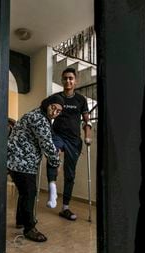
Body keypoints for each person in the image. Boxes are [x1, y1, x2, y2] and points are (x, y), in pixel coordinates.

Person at [7, 93, 64, 242]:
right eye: (54, 108)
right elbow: (47, 144)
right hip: (22, 162)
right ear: (47, 103)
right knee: (29, 193)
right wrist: (57, 163)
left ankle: (21, 221)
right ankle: (29, 228)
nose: (55, 112)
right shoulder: (39, 118)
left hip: (20, 161)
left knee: (25, 193)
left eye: (58, 111)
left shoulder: (39, 116)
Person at [46, 67, 92, 221]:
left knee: (70, 175)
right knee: (54, 152)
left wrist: (88, 136)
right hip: (57, 135)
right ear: (62, 80)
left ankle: (65, 207)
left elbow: (87, 121)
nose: (68, 81)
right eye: (65, 78)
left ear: (75, 81)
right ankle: (52, 186)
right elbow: (47, 115)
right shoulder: (55, 97)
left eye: (71, 78)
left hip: (74, 140)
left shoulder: (81, 100)